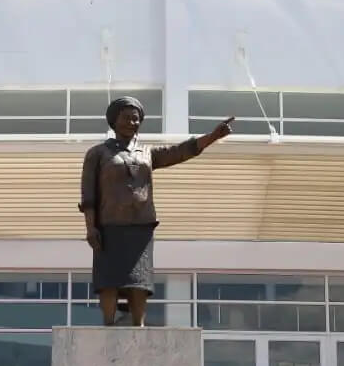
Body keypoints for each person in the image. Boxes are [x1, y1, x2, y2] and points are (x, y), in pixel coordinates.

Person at [79, 97, 234, 327]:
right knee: (109, 280)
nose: (132, 122)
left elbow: (179, 151)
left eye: (136, 119)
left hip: (141, 226)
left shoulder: (146, 153)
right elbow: (88, 195)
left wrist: (212, 136)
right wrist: (91, 227)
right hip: (109, 225)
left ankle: (139, 326)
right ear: (113, 121)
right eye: (126, 118)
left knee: (139, 281)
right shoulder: (98, 153)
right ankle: (108, 326)